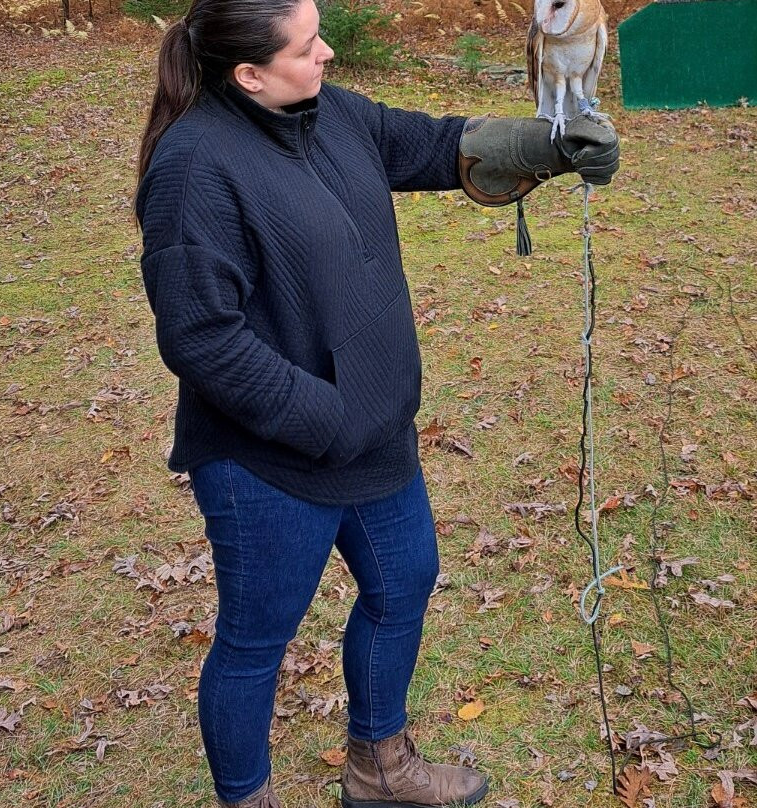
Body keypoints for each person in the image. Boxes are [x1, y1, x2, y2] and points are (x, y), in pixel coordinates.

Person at [132, 1, 619, 805]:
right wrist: (327, 418)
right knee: (256, 643)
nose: (326, 51)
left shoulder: (329, 112)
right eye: (305, 44)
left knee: (401, 589)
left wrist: (550, 144)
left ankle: (379, 767)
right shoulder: (194, 169)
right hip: (267, 461)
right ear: (247, 73)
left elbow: (425, 143)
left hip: (374, 437)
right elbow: (202, 339)